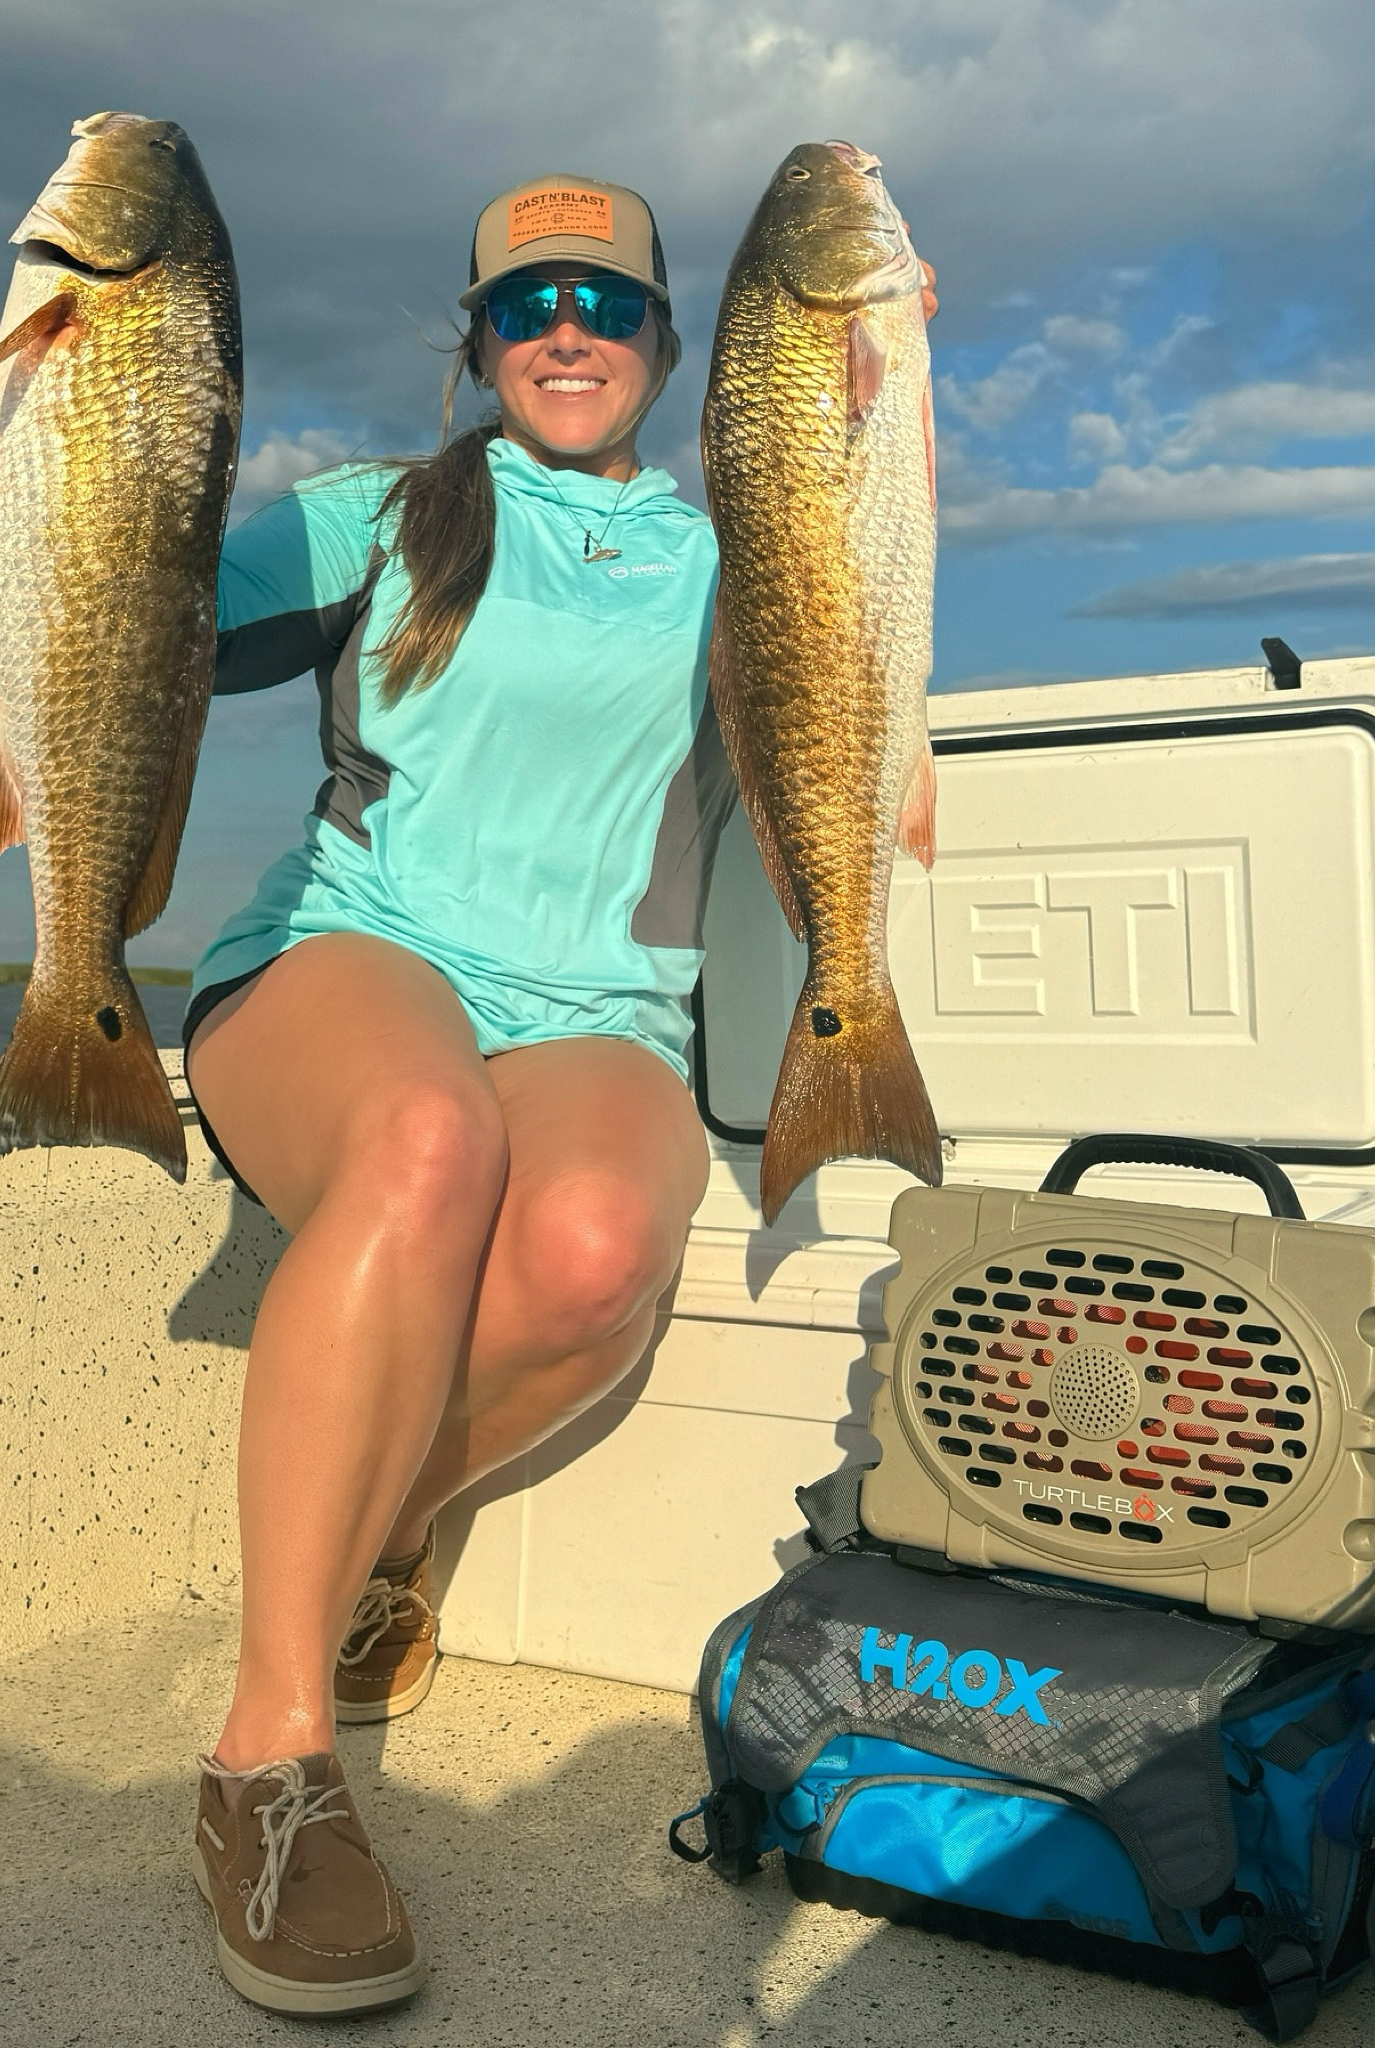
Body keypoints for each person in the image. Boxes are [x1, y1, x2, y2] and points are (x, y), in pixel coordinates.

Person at [182, 171, 938, 2019]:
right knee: (425, 1143)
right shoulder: (378, 513)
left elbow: (859, 654)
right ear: (479, 346)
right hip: (351, 950)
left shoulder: (735, 553)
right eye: (527, 307)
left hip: (600, 994)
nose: (569, 333)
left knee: (601, 1249)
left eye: (607, 303)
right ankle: (267, 1759)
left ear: (678, 350)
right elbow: (141, 621)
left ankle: (374, 1548)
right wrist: (78, 430)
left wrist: (877, 392)